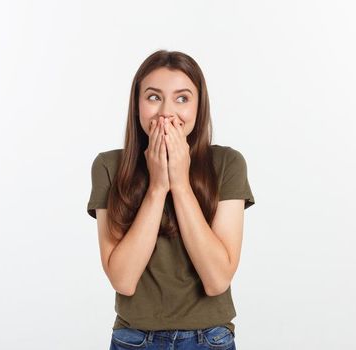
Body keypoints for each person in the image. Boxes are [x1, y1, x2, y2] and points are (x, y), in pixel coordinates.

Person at [87, 49, 255, 350]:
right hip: (134, 339)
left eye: (182, 98)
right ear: (137, 104)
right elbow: (123, 279)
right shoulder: (108, 167)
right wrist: (157, 186)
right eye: (153, 97)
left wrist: (180, 183)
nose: (166, 112)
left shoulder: (228, 163)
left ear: (198, 106)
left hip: (210, 338)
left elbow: (217, 280)